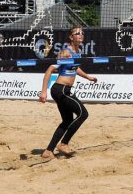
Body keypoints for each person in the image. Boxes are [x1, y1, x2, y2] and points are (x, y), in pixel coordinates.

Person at [39, 27, 98, 159]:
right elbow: (49, 70)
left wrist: (88, 77)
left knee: (67, 120)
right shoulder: (65, 52)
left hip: (64, 90)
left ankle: (48, 150)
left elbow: (75, 68)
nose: (81, 35)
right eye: (77, 33)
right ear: (71, 37)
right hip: (60, 89)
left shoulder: (78, 52)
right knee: (83, 114)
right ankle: (64, 143)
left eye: (82, 33)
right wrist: (43, 92)